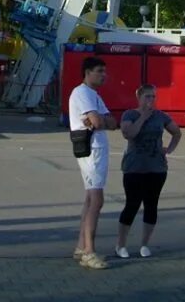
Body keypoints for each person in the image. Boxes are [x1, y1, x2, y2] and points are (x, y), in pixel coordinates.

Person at [114, 84, 181, 259]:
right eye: (147, 97)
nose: (151, 100)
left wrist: (169, 149)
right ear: (139, 97)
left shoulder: (160, 116)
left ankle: (144, 244)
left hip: (156, 168)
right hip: (134, 168)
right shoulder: (130, 114)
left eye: (153, 97)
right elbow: (129, 134)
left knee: (151, 205)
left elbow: (176, 132)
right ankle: (120, 244)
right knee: (132, 204)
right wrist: (143, 117)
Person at [69, 57, 118, 270]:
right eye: (99, 71)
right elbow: (98, 122)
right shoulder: (82, 93)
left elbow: (111, 122)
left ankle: (81, 246)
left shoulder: (94, 95)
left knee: (90, 199)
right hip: (91, 150)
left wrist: (99, 120)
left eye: (104, 71)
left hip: (98, 148)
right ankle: (89, 250)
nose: (103, 75)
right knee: (96, 200)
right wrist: (98, 120)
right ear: (88, 72)